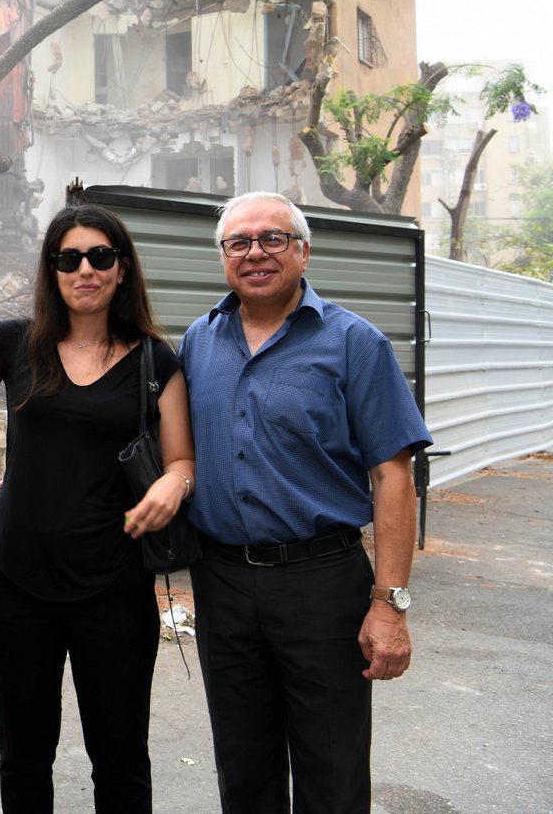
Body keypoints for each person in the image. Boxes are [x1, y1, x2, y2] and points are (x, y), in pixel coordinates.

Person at [0, 204, 195, 813]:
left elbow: (181, 460)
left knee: (120, 760)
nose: (85, 270)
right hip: (18, 582)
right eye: (69, 259)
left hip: (114, 586)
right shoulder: (15, 343)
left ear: (122, 268)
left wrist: (173, 485)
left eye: (100, 256)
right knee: (24, 755)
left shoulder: (155, 361)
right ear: (52, 270)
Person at [180, 192, 429, 814]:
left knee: (332, 769)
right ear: (222, 256)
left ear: (303, 251)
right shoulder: (198, 341)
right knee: (244, 766)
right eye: (238, 242)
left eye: (273, 238)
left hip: (323, 584)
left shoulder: (354, 342)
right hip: (222, 581)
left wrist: (389, 605)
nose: (255, 253)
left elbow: (393, 477)